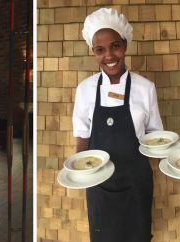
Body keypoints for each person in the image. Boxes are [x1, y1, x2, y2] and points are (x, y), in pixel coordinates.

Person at [72, 8, 163, 242]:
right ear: (93, 52)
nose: (109, 55)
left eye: (115, 46)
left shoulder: (146, 88)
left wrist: (171, 155)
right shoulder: (85, 89)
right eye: (100, 50)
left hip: (136, 184)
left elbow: (156, 134)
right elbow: (82, 135)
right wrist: (78, 169)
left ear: (125, 44)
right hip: (99, 183)